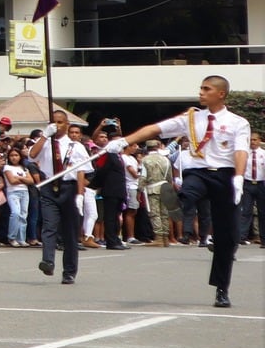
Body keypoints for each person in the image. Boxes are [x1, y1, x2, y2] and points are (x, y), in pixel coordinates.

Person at [110, 77, 251, 308]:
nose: (201, 93)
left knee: (228, 237)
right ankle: (177, 204)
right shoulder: (191, 118)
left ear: (221, 94)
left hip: (225, 174)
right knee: (189, 190)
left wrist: (238, 176)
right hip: (199, 172)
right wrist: (125, 141)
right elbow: (155, 129)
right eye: (201, 89)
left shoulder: (238, 122)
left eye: (207, 89)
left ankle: (222, 289)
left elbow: (241, 150)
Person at [32, 108, 90, 286]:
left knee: (70, 233)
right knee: (49, 226)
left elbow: (81, 172)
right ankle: (48, 261)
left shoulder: (76, 146)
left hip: (69, 188)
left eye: (60, 122)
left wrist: (80, 195)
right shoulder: (46, 143)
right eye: (53, 122)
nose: (56, 126)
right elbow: (32, 155)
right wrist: (44, 136)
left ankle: (69, 272)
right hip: (49, 187)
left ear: (67, 125)